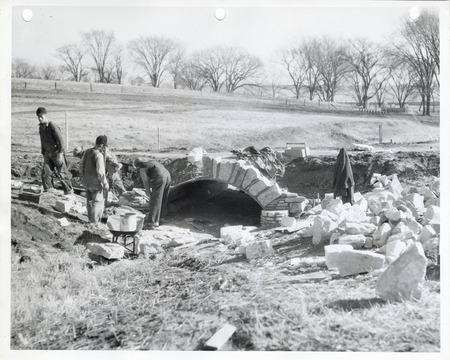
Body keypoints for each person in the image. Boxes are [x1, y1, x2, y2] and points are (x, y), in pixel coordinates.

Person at [36, 107, 73, 194]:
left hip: (56, 153)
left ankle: (68, 191)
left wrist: (60, 153)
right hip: (47, 154)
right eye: (38, 117)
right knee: (46, 172)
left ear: (46, 115)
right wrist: (43, 152)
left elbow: (60, 140)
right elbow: (42, 141)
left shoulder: (52, 126)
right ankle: (49, 190)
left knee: (62, 173)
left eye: (41, 116)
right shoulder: (41, 127)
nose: (40, 118)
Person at [78, 135, 110, 223]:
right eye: (104, 146)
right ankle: (95, 223)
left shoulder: (87, 152)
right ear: (102, 145)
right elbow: (100, 172)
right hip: (95, 183)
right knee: (97, 202)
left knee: (89, 201)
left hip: (86, 182)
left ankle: (90, 220)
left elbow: (81, 166)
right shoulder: (99, 155)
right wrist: (105, 183)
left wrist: (84, 176)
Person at [134, 159, 171, 229]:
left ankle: (152, 223)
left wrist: (149, 194)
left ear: (137, 165)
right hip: (168, 176)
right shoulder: (152, 162)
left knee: (156, 199)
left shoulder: (142, 168)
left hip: (160, 176)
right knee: (163, 197)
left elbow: (145, 182)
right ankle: (161, 218)